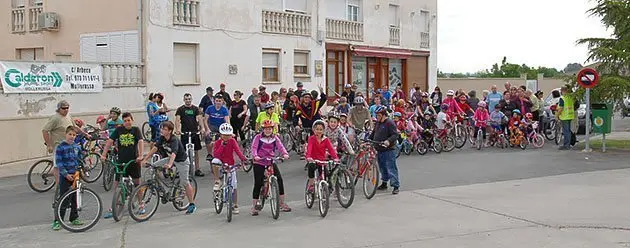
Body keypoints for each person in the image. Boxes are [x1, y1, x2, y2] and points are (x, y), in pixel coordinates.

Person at [144, 121, 197, 214]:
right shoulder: (162, 138)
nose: (162, 130)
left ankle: (192, 204)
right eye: (162, 128)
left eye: (164, 129)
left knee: (185, 182)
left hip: (181, 161)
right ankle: (163, 188)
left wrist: (169, 165)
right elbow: (155, 148)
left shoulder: (174, 140)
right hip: (170, 158)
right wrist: (145, 159)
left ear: (170, 131)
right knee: (154, 166)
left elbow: (174, 153)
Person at [101, 112, 144, 219]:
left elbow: (140, 142)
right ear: (123, 122)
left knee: (137, 183)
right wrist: (103, 154)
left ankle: (141, 204)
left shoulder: (136, 130)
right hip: (121, 161)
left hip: (133, 161)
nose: (127, 122)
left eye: (129, 120)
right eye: (125, 121)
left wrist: (141, 155)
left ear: (132, 120)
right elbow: (109, 142)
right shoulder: (119, 130)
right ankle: (114, 207)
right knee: (116, 185)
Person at [250, 120, 291, 215]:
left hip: (270, 161)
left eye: (270, 129)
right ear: (263, 129)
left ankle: (281, 203)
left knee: (279, 179)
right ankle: (254, 206)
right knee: (258, 182)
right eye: (266, 129)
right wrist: (255, 156)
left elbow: (281, 147)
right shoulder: (258, 138)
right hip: (259, 161)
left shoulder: (275, 138)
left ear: (273, 129)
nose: (268, 131)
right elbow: (254, 148)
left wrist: (285, 154)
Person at [42, 100, 84, 191]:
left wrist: (85, 134)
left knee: (68, 162)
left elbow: (74, 128)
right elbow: (45, 130)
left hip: (69, 144)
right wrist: (49, 144)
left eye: (67, 108)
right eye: (63, 108)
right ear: (59, 109)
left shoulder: (69, 116)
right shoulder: (55, 118)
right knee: (57, 166)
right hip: (59, 145)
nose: (66, 110)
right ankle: (58, 186)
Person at [51, 126, 82, 230]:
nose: (72, 137)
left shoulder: (77, 147)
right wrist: (66, 174)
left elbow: (79, 159)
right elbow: (59, 163)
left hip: (75, 175)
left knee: (75, 198)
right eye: (70, 134)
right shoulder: (61, 147)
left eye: (74, 135)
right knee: (64, 198)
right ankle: (57, 220)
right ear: (66, 134)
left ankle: (74, 217)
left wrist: (83, 167)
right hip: (65, 176)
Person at [212, 123, 248, 214]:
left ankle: (235, 204)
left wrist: (244, 159)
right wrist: (222, 145)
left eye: (228, 135)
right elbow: (216, 155)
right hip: (221, 163)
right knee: (214, 161)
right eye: (224, 135)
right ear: (220, 135)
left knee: (234, 185)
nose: (227, 137)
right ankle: (217, 180)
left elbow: (238, 151)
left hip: (230, 164)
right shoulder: (217, 143)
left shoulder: (232, 141)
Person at [369, 106, 401, 194]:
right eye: (377, 115)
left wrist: (388, 141)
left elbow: (395, 135)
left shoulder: (389, 123)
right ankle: (384, 183)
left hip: (388, 150)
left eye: (379, 115)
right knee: (382, 167)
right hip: (379, 149)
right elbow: (373, 133)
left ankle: (395, 186)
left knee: (391, 167)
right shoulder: (378, 123)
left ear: (384, 115)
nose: (377, 117)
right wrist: (368, 140)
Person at [175, 93, 206, 177]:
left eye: (189, 99)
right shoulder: (180, 109)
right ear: (184, 100)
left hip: (194, 132)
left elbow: (199, 119)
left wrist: (202, 128)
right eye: (186, 99)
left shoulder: (195, 109)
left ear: (191, 99)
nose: (188, 101)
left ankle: (197, 169)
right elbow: (177, 120)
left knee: (196, 151)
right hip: (184, 132)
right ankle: (180, 170)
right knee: (182, 152)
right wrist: (177, 129)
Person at [305, 120, 339, 194]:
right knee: (311, 167)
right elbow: (309, 149)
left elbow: (331, 149)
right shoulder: (311, 139)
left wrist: (335, 158)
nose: (319, 131)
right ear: (314, 130)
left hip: (322, 161)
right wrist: (308, 157)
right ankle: (311, 185)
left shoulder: (326, 139)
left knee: (326, 174)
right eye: (317, 129)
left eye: (321, 130)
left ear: (324, 131)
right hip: (313, 160)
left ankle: (325, 188)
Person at [203, 94, 230, 160]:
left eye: (219, 101)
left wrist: (228, 130)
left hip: (221, 126)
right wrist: (207, 129)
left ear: (222, 101)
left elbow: (227, 121)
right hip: (211, 126)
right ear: (214, 101)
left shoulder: (224, 109)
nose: (218, 102)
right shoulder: (210, 108)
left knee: (222, 140)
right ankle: (209, 153)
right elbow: (205, 120)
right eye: (217, 101)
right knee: (207, 137)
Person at [556, 86, 576, 150]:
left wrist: (557, 115)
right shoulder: (570, 97)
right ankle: (568, 144)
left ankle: (566, 145)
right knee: (568, 131)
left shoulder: (562, 98)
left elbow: (561, 108)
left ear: (562, 91)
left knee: (566, 131)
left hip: (564, 117)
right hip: (570, 116)